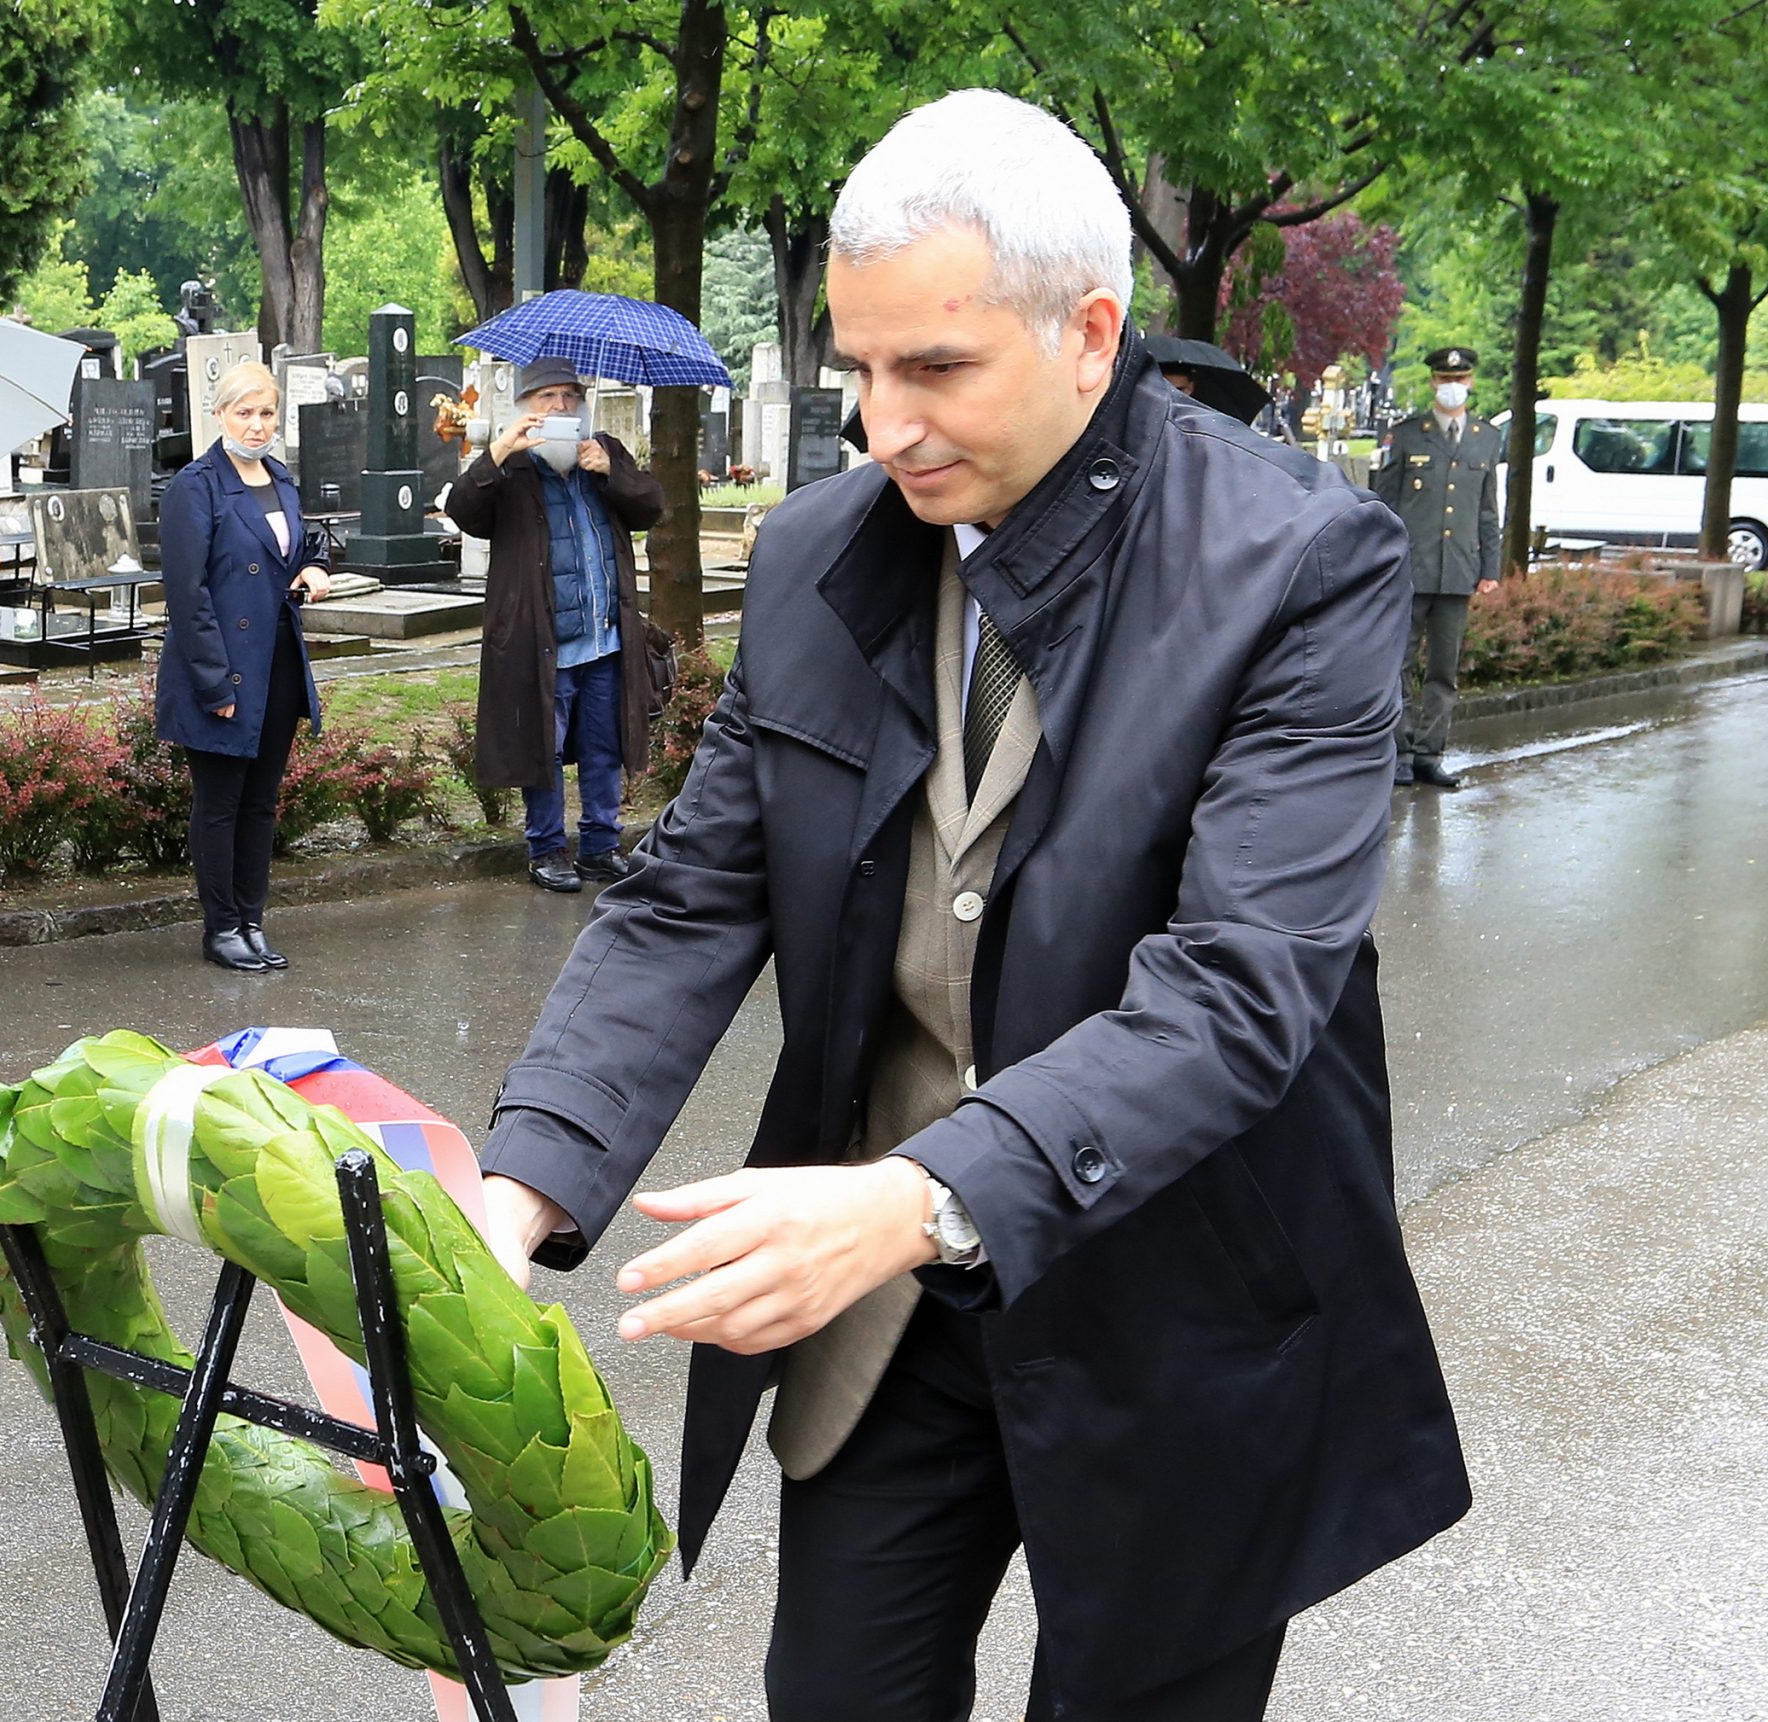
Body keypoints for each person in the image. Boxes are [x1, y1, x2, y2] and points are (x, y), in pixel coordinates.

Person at [476, 90, 1467, 1722]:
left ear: (1092, 332)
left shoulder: (1300, 564)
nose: (884, 428)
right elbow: (690, 895)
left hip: (1181, 1312)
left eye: (935, 369)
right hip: (888, 1327)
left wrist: (906, 1195)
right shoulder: (815, 559)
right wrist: (517, 1186)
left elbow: (1238, 990)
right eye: (857, 369)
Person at [445, 358, 667, 893]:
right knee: (540, 746)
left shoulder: (604, 453)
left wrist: (611, 473)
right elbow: (462, 509)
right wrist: (498, 450)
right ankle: (546, 848)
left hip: (605, 636)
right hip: (542, 642)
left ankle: (600, 845)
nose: (562, 406)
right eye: (547, 398)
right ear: (526, 409)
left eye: (570, 396)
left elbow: (652, 506)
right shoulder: (512, 468)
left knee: (603, 746)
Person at [156, 360, 334, 972]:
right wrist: (212, 682)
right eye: (244, 413)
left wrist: (316, 566)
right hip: (224, 667)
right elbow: (187, 594)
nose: (257, 426)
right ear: (220, 414)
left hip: (279, 662)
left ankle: (252, 919)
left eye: (266, 414)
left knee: (261, 801)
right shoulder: (195, 486)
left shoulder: (281, 479)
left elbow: (305, 543)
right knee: (221, 802)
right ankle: (221, 927)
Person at [1372, 345, 1503, 790]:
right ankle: (1401, 752)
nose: (1452, 386)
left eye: (1460, 379)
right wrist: (1382, 560)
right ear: (1432, 382)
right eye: (1444, 379)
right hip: (1410, 568)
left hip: (1458, 571)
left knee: (1444, 670)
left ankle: (1431, 753)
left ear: (1470, 382)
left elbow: (1488, 510)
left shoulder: (1486, 437)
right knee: (1400, 665)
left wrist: (1490, 567)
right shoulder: (1408, 434)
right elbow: (1385, 503)